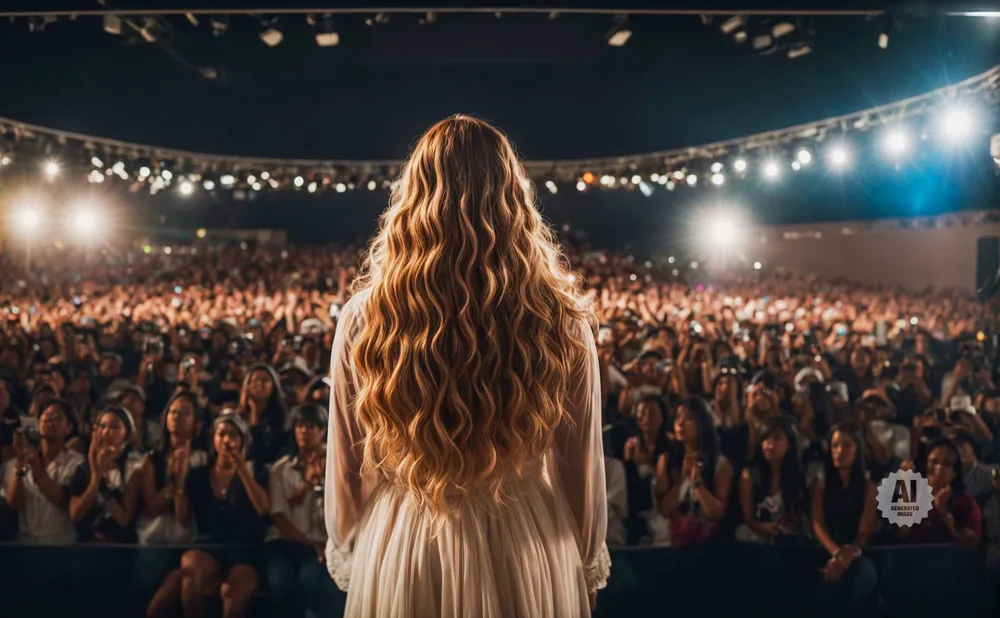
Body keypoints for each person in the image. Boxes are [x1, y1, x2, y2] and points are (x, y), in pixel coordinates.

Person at [323, 115, 609, 617]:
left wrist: (351, 546)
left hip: (405, 543)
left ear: (414, 196)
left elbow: (348, 468)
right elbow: (579, 469)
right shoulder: (561, 321)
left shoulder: (365, 319)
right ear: (511, 196)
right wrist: (585, 562)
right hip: (525, 543)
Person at [266, 403, 344, 618]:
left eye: (310, 426)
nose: (303, 431)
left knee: (312, 578)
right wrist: (307, 484)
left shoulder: (336, 465)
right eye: (299, 426)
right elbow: (278, 515)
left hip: (324, 541)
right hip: (287, 540)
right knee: (280, 580)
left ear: (322, 431)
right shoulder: (281, 468)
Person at [808, 423, 879, 617]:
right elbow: (817, 522)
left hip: (856, 552)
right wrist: (837, 555)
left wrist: (847, 556)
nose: (840, 451)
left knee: (863, 574)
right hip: (825, 548)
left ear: (858, 448)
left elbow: (864, 531)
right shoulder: (821, 480)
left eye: (847, 445)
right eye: (835, 446)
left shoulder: (869, 485)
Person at [2, 399, 85, 543]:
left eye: (57, 417)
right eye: (46, 416)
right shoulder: (16, 462)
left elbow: (61, 500)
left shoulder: (77, 463)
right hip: (25, 543)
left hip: (61, 543)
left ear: (69, 427)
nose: (49, 420)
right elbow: (13, 504)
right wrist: (20, 467)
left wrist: (37, 468)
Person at [657, 396, 734, 546]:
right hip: (670, 538)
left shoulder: (720, 464)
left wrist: (698, 484)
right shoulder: (667, 460)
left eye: (689, 419)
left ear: (702, 423)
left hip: (708, 542)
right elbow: (664, 511)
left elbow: (717, 513)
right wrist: (680, 483)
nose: (680, 423)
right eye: (678, 418)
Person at [736, 415, 807, 544]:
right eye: (765, 439)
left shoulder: (798, 475)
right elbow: (749, 519)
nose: (769, 445)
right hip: (758, 535)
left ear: (789, 444)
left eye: (777, 439)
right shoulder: (750, 475)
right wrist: (767, 527)